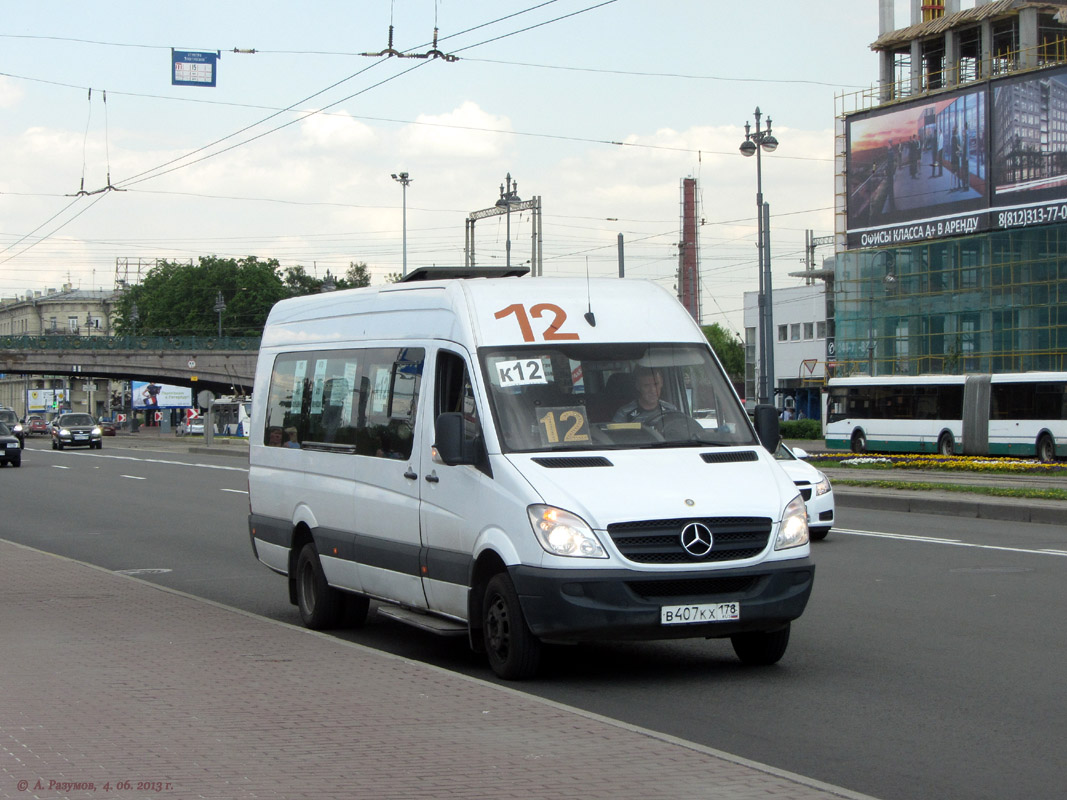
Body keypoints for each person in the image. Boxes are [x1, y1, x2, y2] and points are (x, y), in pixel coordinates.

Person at [613, 367, 677, 424]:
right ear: (638, 386)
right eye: (646, 385)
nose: (652, 390)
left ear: (661, 384)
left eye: (656, 384)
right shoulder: (624, 413)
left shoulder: (671, 410)